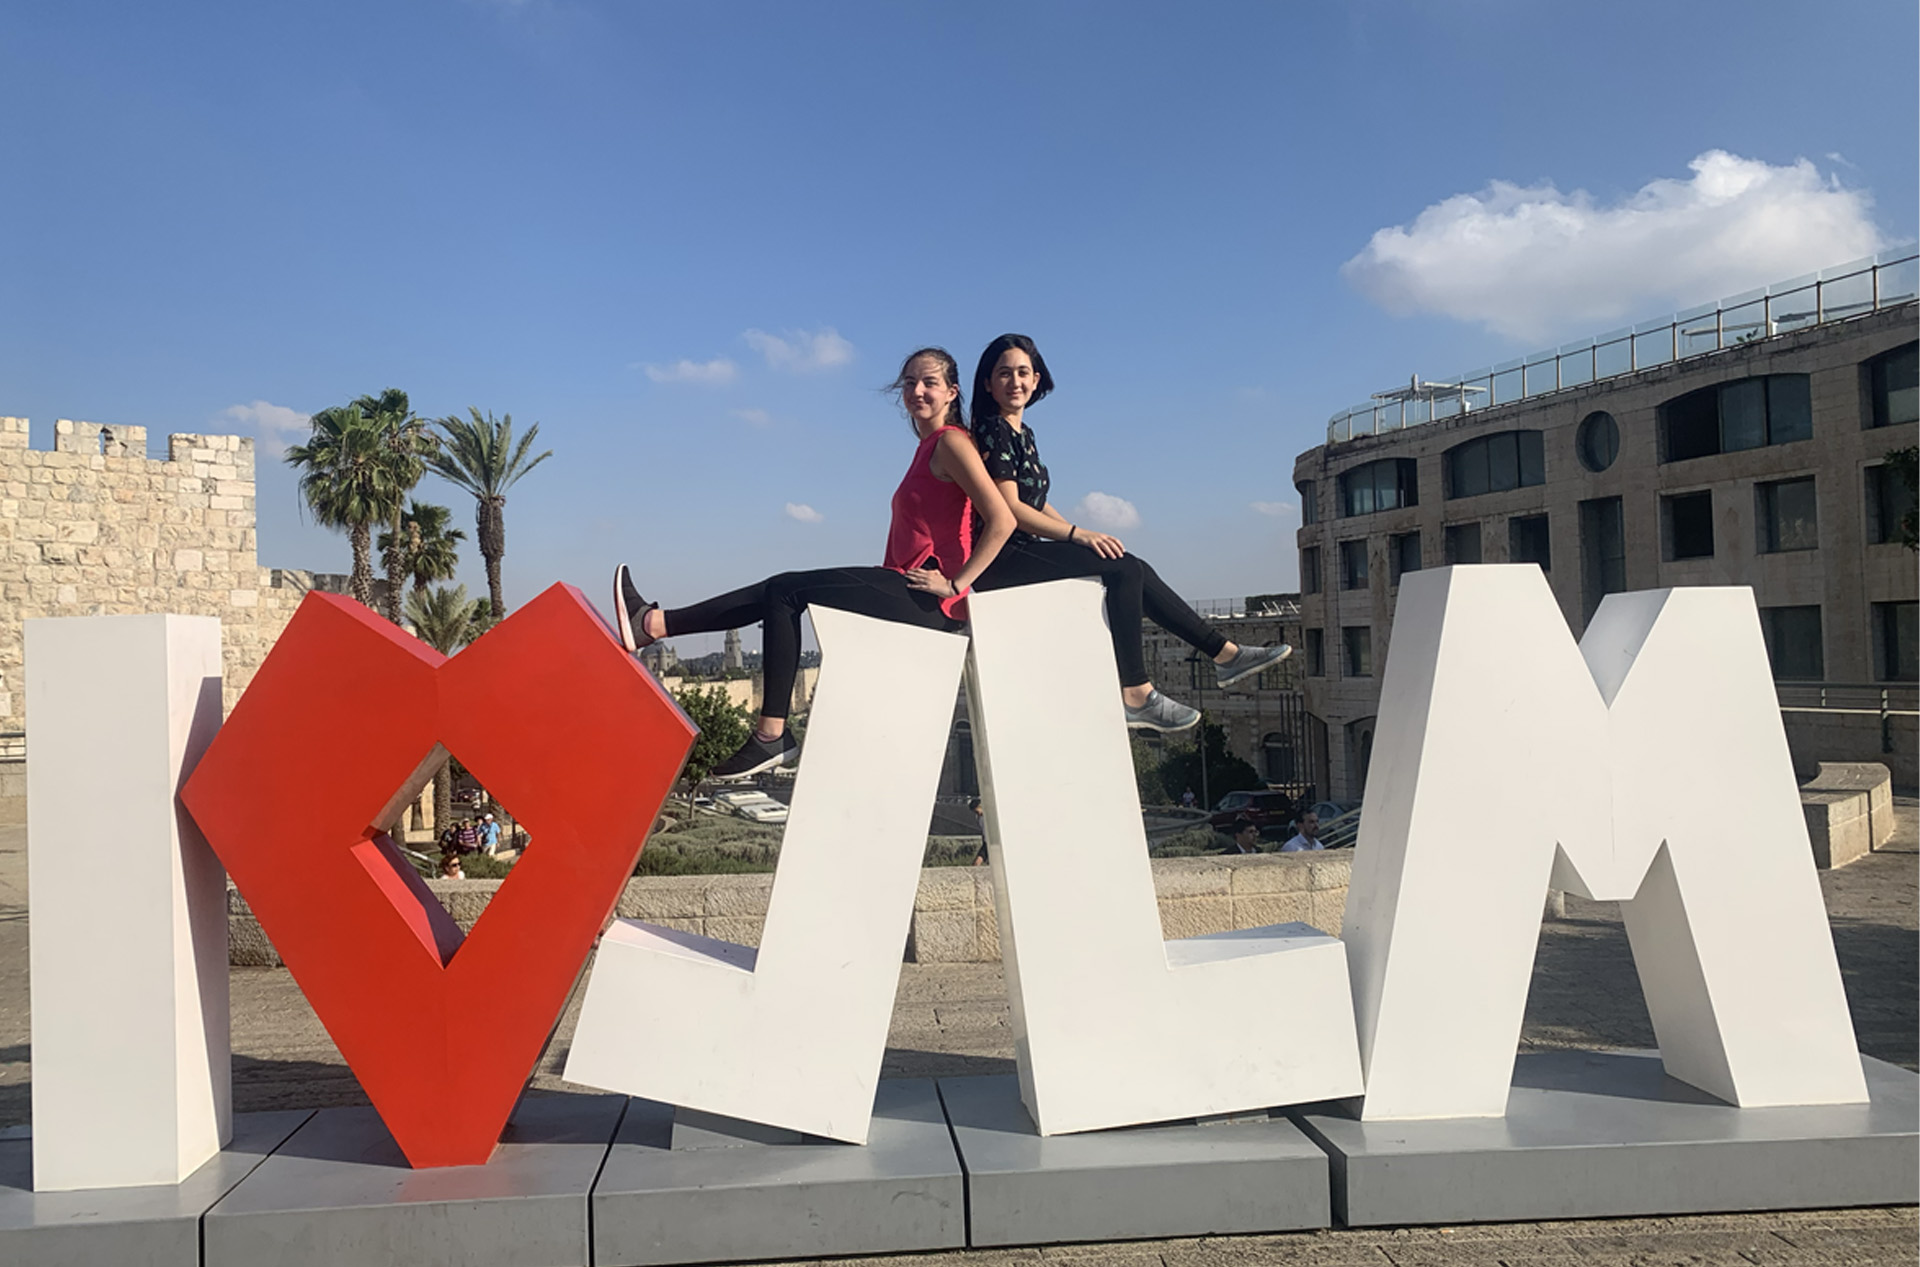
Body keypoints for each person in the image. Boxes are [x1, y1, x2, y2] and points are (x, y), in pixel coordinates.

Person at [614, 348, 1016, 779]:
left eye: (930, 383)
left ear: (952, 392)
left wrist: (956, 586)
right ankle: (654, 626)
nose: (917, 391)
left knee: (786, 589)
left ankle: (768, 733)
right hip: (907, 589)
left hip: (928, 600)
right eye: (909, 383)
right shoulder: (929, 448)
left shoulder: (952, 442)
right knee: (779, 591)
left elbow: (1002, 519)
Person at [964, 334, 1291, 732]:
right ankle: (1137, 691)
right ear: (987, 383)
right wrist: (1076, 535)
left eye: (1023, 373)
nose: (1015, 381)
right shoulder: (993, 430)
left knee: (1132, 565)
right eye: (1004, 373)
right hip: (1001, 559)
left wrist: (1079, 532)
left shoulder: (1022, 434)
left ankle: (1224, 654)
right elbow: (1011, 510)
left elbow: (1033, 501)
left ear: (1036, 380)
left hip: (1022, 549)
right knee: (1122, 569)